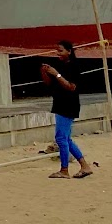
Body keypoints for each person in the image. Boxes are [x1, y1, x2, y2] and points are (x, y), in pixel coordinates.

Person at [42, 40, 92, 178]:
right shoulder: (59, 65)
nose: (58, 53)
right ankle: (84, 165)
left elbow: (71, 87)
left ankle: (64, 169)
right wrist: (45, 72)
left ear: (69, 51)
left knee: (61, 138)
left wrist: (57, 74)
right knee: (66, 138)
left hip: (68, 104)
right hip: (59, 103)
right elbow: (48, 83)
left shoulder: (74, 66)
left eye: (61, 51)